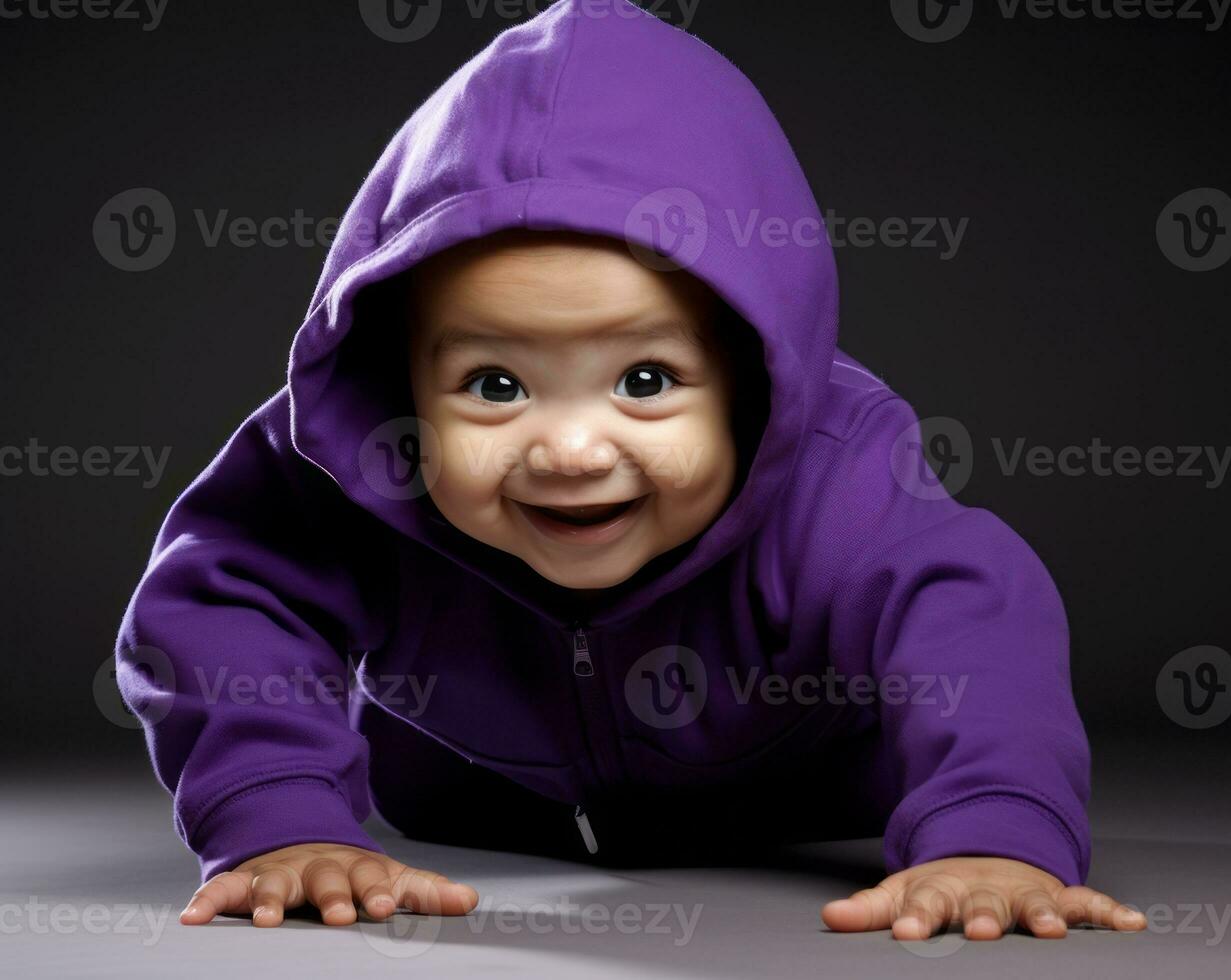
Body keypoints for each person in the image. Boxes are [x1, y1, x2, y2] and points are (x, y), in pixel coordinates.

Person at [116, 0, 1146, 941]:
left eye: (645, 378)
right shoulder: (349, 462)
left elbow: (972, 613)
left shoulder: (837, 481)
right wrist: (276, 816)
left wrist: (991, 833)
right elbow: (225, 593)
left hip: (791, 801)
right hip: (475, 792)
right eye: (493, 384)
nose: (569, 450)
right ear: (400, 381)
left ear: (750, 375)